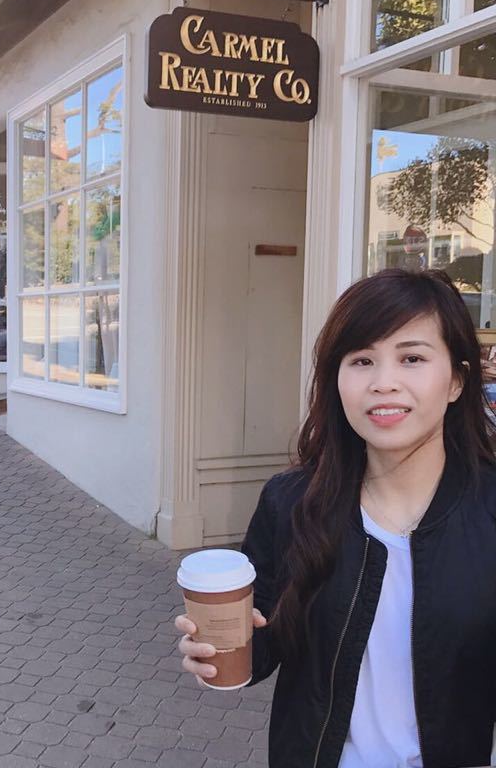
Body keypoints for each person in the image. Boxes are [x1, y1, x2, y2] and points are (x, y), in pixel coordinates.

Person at [175, 268, 496, 768]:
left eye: (412, 358)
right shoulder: (292, 503)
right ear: (337, 379)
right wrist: (221, 650)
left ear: (456, 380)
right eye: (362, 360)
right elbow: (265, 640)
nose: (383, 383)